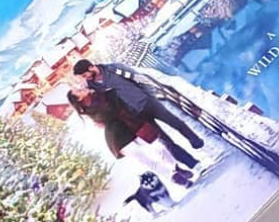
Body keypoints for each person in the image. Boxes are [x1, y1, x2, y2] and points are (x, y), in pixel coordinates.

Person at [72, 59, 207, 174]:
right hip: (136, 116)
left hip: (148, 102)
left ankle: (196, 141)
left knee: (175, 122)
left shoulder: (114, 69)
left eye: (85, 75)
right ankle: (194, 164)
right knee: (165, 142)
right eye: (82, 77)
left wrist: (149, 95)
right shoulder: (93, 87)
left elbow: (138, 78)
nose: (85, 78)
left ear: (91, 67)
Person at [66, 84, 196, 188]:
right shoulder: (89, 111)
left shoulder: (101, 93)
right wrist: (109, 99)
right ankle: (174, 178)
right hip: (118, 137)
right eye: (78, 90)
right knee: (145, 159)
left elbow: (115, 104)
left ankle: (175, 167)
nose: (81, 87)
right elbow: (109, 112)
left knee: (159, 147)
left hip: (132, 124)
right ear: (79, 99)